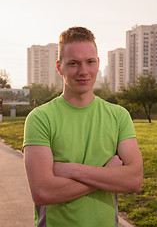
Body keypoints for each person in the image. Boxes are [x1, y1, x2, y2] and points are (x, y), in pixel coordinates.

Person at [24, 26, 143, 227]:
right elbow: (43, 192)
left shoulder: (119, 116)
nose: (83, 71)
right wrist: (106, 174)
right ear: (59, 67)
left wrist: (71, 170)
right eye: (73, 63)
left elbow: (134, 181)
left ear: (98, 63)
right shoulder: (40, 118)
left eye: (90, 62)